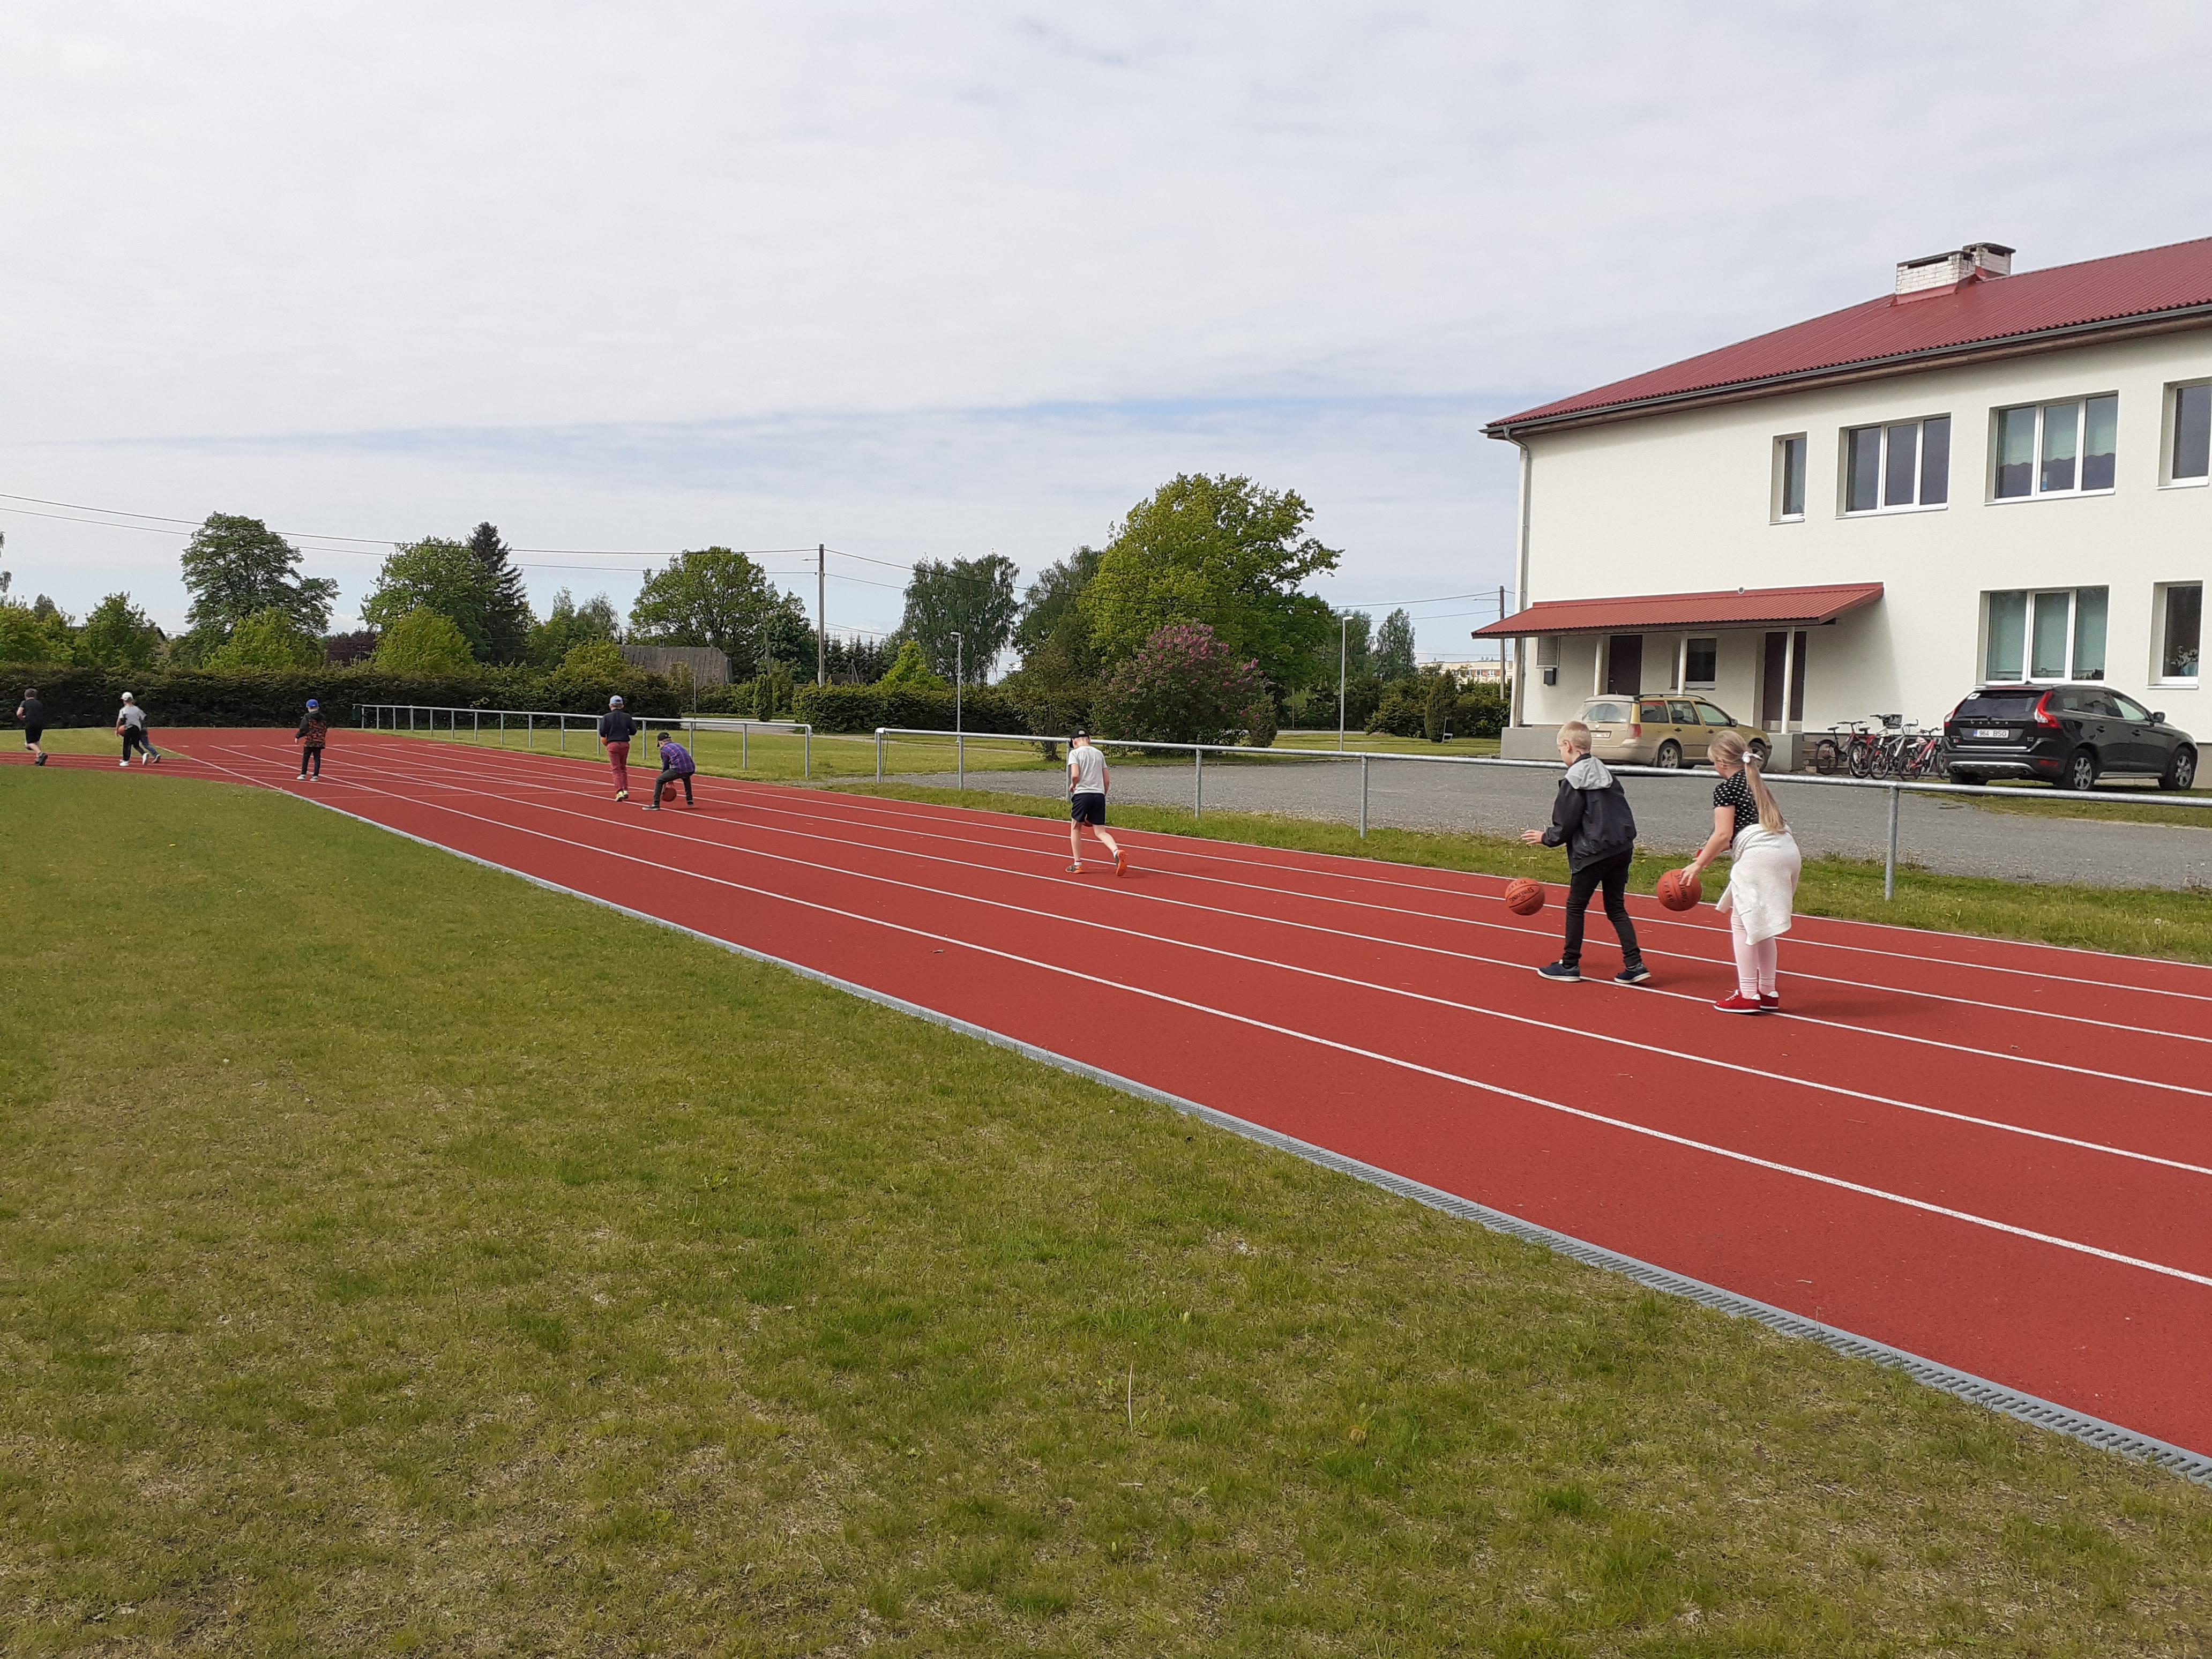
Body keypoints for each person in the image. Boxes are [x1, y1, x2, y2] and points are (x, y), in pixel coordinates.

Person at [1519, 720, 1650, 984]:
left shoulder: (1574, 780)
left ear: (1568, 746)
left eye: (1560, 749)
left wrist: (1546, 837)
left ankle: (1569, 964)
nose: (1561, 754)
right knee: (1616, 907)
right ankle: (1635, 964)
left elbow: (1566, 823)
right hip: (1621, 847)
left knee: (1576, 906)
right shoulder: (1607, 774)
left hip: (1592, 851)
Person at [1682, 730, 1802, 1013]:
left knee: (1743, 924)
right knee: (1763, 924)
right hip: (1786, 850)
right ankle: (1767, 990)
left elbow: (1724, 835)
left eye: (1714, 762)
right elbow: (1741, 832)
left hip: (1761, 856)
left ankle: (1748, 994)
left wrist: (1699, 864)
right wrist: (1706, 853)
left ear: (1722, 762)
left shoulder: (1726, 788)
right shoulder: (1756, 783)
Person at [1065, 729, 1127, 877]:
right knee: (1100, 831)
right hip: (1099, 795)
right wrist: (1102, 794)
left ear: (1074, 742)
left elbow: (1075, 775)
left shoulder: (1075, 753)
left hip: (1082, 794)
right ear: (1089, 739)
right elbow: (1107, 780)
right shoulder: (1099, 754)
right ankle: (1116, 852)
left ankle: (1077, 864)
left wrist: (1073, 785)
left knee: (1076, 828)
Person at [597, 694, 637, 801]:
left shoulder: (607, 717)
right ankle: (625, 789)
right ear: (622, 706)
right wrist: (624, 732)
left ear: (611, 705)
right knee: (623, 768)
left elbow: (602, 732)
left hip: (613, 744)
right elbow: (634, 731)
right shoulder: (627, 717)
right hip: (625, 744)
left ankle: (619, 791)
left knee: (616, 769)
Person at [643, 730, 696, 810]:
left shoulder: (664, 750)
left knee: (659, 780)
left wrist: (667, 780)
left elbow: (665, 766)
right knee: (686, 777)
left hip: (678, 769)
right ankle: (690, 800)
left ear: (660, 742)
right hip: (691, 768)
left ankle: (656, 804)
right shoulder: (678, 745)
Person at [116, 692, 161, 766]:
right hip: (138, 729)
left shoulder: (124, 710)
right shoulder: (137, 709)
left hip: (129, 728)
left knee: (126, 744)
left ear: (125, 700)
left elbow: (120, 720)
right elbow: (143, 719)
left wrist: (117, 729)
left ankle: (126, 761)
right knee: (135, 744)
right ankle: (144, 754)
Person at [294, 699, 330, 779]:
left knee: (306, 757)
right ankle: (316, 775)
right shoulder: (323, 717)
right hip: (319, 740)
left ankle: (303, 774)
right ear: (318, 707)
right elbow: (325, 727)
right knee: (317, 758)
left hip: (309, 740)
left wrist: (298, 736)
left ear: (309, 708)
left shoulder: (307, 717)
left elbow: (304, 728)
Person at [16, 686, 46, 766]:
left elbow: (19, 713)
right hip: (40, 724)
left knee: (30, 743)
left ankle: (40, 753)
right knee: (37, 741)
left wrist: (23, 718)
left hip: (30, 723)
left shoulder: (24, 703)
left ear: (26, 696)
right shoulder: (39, 703)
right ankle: (38, 759)